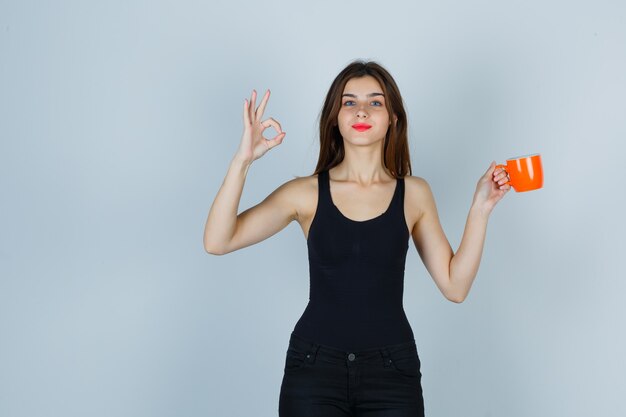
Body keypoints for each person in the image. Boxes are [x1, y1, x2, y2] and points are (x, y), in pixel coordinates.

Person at [203, 60, 511, 417]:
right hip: (314, 371)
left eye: (375, 102)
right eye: (349, 102)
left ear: (393, 118)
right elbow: (218, 240)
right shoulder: (305, 193)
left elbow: (455, 287)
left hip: (392, 373)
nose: (361, 110)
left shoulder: (414, 193)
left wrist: (481, 208)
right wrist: (242, 161)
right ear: (335, 116)